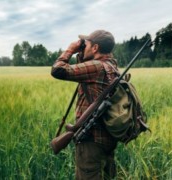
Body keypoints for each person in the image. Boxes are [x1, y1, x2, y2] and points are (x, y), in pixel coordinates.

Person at [51, 30, 119, 179]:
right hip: (107, 139)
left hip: (91, 143)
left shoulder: (96, 67)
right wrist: (82, 54)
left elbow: (57, 70)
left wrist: (70, 49)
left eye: (86, 44)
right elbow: (84, 73)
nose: (83, 46)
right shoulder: (112, 67)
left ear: (95, 48)